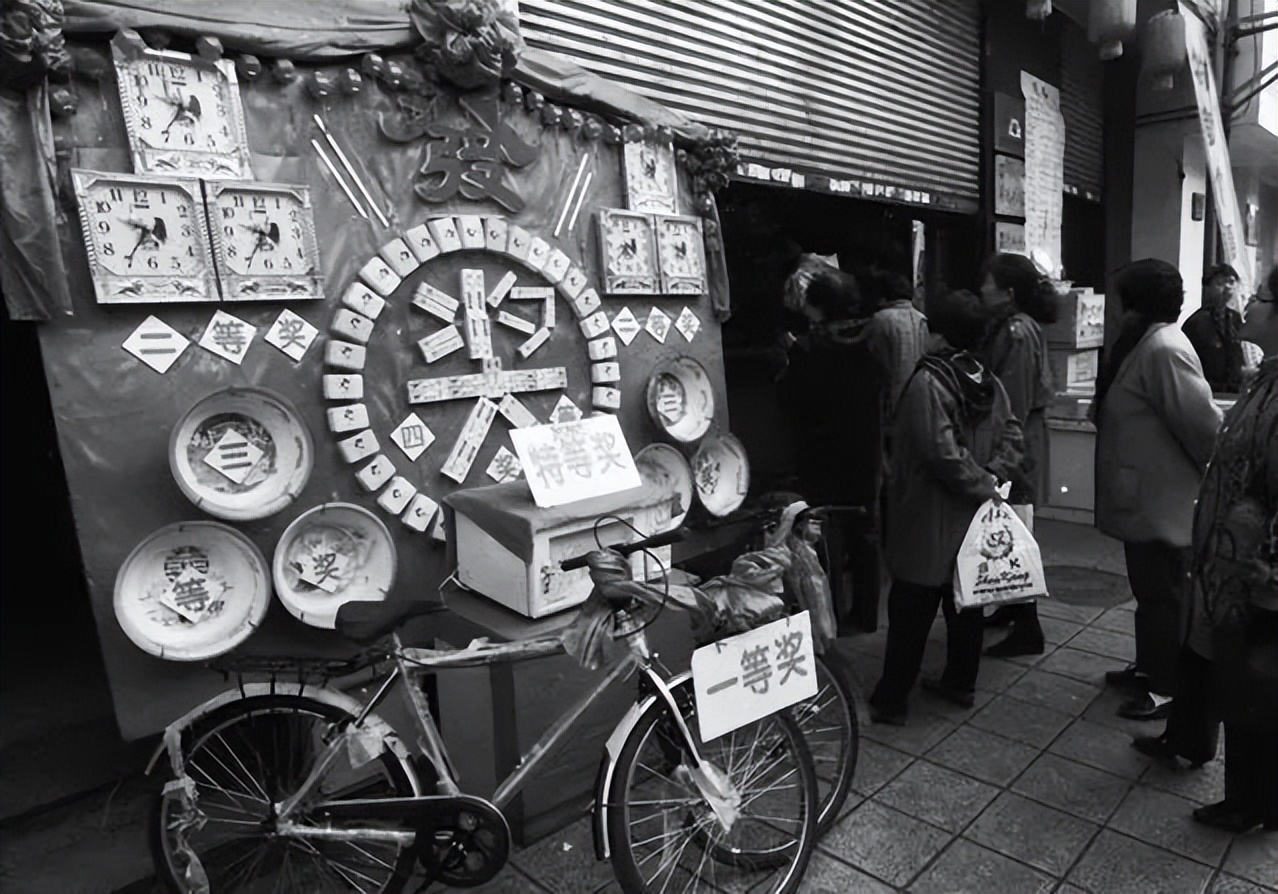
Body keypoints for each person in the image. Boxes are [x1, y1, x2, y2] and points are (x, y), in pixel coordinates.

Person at [1132, 266, 1278, 833]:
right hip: (1225, 564)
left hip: (1257, 576)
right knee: (1219, 665)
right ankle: (1194, 743)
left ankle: (1254, 803)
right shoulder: (1264, 376)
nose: (1247, 305)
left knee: (1256, 691)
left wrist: (1269, 575)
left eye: (1260, 297)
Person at [868, 290, 1024, 725]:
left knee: (911, 609)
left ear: (932, 331)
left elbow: (940, 454)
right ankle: (960, 682)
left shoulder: (928, 382)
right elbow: (1013, 432)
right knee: (965, 602)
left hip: (927, 516)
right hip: (972, 516)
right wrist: (992, 477)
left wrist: (978, 481)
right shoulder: (984, 378)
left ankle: (892, 698)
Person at [1093, 259, 1223, 721]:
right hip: (1143, 498)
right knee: (1150, 595)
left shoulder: (1165, 347)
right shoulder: (1143, 343)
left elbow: (1203, 428)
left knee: (1165, 597)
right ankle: (1150, 667)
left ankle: (1167, 688)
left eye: (1117, 298)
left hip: (1162, 503)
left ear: (1134, 304)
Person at [977, 253, 1058, 658]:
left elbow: (1013, 403)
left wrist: (999, 457)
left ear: (1007, 291)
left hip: (1017, 447)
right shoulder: (1013, 327)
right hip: (1018, 443)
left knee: (1014, 534)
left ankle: (1029, 626)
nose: (982, 288)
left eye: (988, 282)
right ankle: (1011, 608)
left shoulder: (1016, 332)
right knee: (1009, 527)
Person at [862, 270, 930, 422]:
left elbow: (873, 359)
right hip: (921, 394)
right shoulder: (921, 319)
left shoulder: (880, 319)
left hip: (890, 395)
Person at [1183, 264, 1245, 393]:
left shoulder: (1235, 318)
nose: (1227, 287)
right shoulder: (1196, 322)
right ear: (1207, 287)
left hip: (1234, 390)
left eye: (1231, 282)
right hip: (1206, 390)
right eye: (1220, 283)